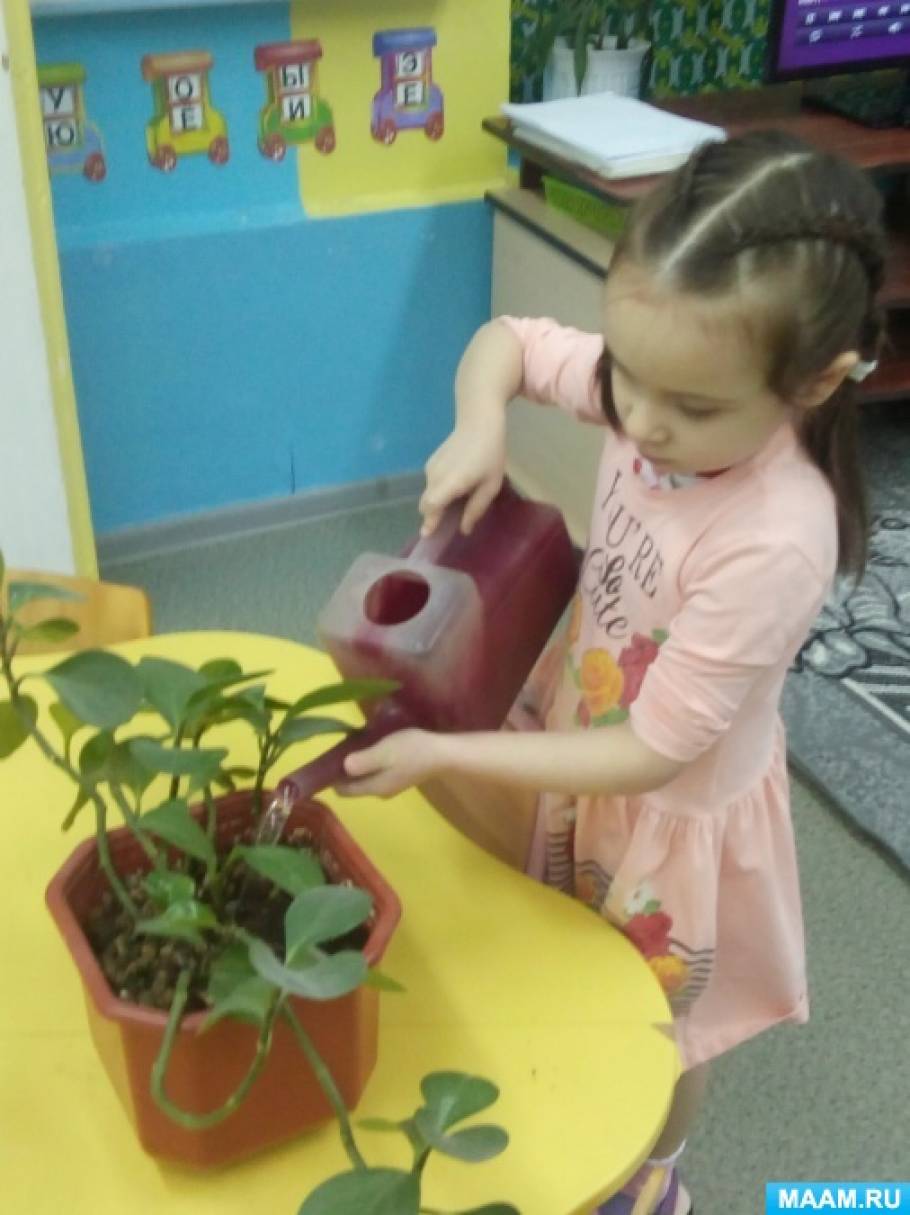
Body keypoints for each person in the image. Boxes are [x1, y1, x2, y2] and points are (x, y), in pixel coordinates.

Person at [337, 131, 886, 1215]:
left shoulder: (776, 538)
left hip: (665, 812)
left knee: (660, 1020)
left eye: (691, 408)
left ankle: (653, 1169)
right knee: (565, 946)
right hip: (589, 729)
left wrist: (447, 751)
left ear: (816, 382)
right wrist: (480, 425)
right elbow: (506, 342)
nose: (638, 419)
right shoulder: (663, 382)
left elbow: (651, 752)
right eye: (626, 377)